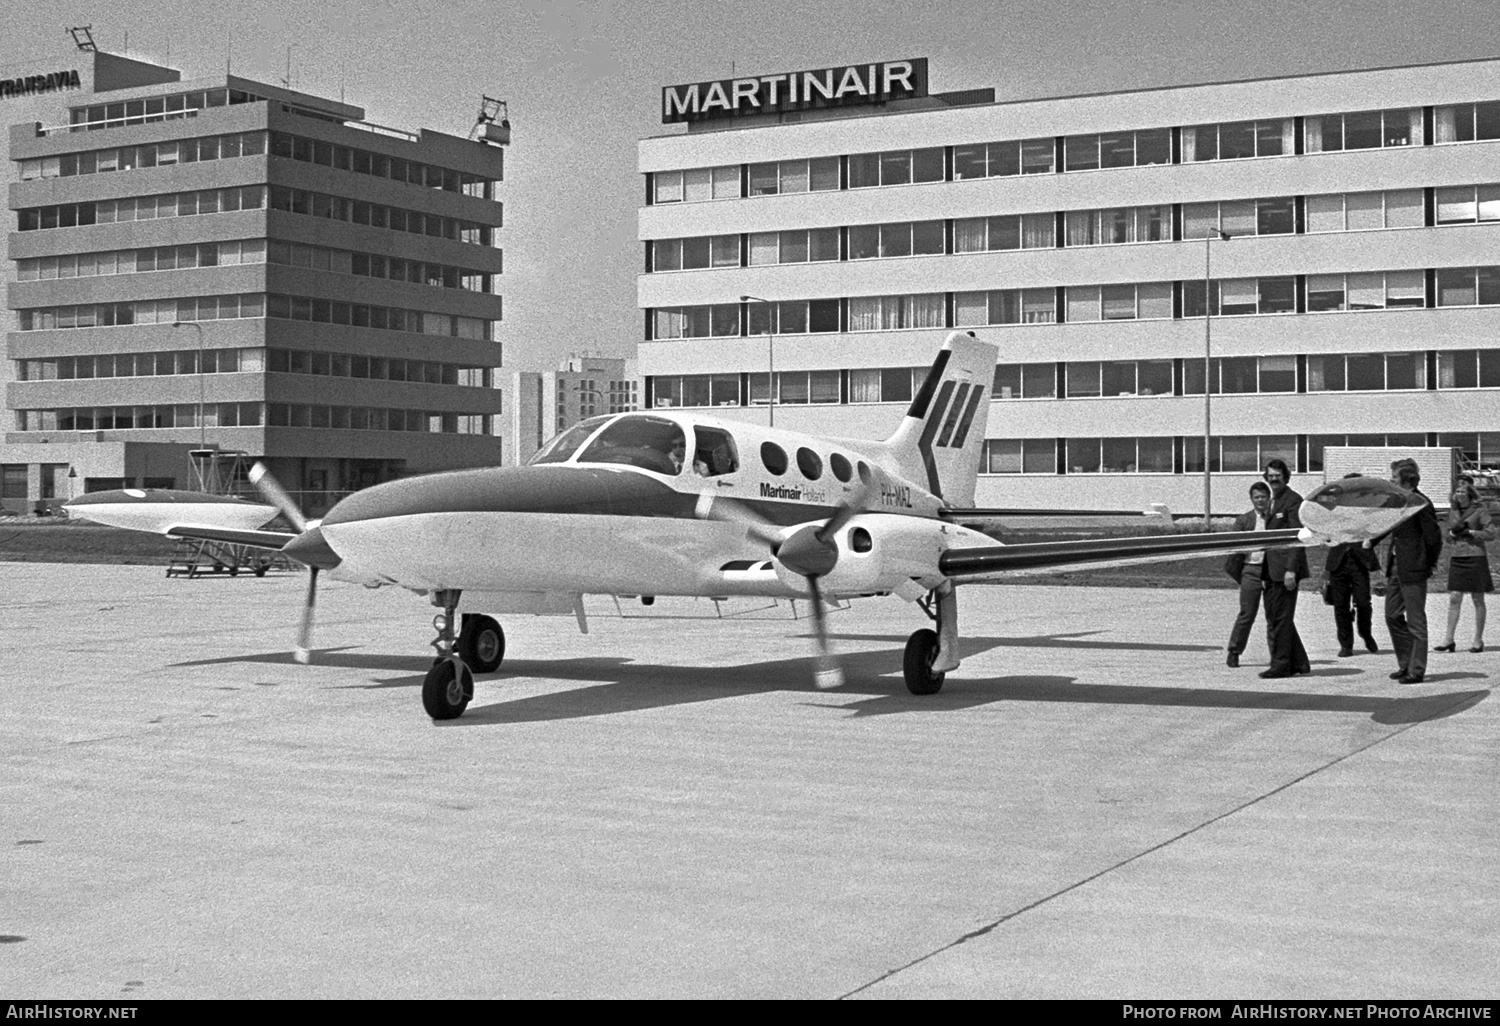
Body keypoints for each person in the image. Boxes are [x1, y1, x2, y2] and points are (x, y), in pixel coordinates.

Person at [1376, 458, 1444, 684]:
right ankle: (1405, 662)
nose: (1391, 479)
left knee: (1416, 621)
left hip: (1414, 567)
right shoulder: (1399, 501)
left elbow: (1434, 538)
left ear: (1406, 479)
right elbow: (1385, 526)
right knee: (1392, 615)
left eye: (1394, 477)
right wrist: (1367, 541)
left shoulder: (1420, 502)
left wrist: (1428, 563)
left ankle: (1416, 669)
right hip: (1395, 566)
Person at [1257, 458, 1311, 679]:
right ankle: (1299, 662)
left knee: (1280, 619)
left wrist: (1291, 570)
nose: (1273, 479)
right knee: (1277, 617)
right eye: (1269, 476)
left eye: (1277, 476)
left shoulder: (1293, 501)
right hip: (1271, 569)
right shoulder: (1273, 500)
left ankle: (1281, 665)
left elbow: (1298, 538)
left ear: (1285, 476)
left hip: (1286, 571)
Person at [1322, 475, 1381, 657]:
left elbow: (1377, 528)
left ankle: (1365, 632)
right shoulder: (1334, 507)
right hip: (1338, 561)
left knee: (1363, 602)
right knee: (1340, 605)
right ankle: (1346, 644)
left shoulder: (1367, 509)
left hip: (1359, 560)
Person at [1434, 475, 1495, 654]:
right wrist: (1451, 534)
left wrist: (1471, 532)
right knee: (1454, 597)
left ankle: (1477, 640)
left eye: (1462, 491)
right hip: (1458, 557)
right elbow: (1446, 536)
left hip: (1475, 555)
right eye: (1457, 491)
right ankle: (1449, 639)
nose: (1459, 494)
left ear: (1469, 493)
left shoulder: (1479, 509)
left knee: (1477, 598)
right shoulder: (1452, 510)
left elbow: (1491, 533)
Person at [1224, 481, 1272, 668]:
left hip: (1270, 571)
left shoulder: (1275, 519)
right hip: (1251, 570)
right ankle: (1234, 650)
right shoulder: (1243, 521)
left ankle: (1277, 653)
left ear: (1269, 498)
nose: (1260, 500)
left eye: (1263, 497)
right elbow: (1234, 547)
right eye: (1257, 497)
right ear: (1252, 500)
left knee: (1274, 615)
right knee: (1247, 613)